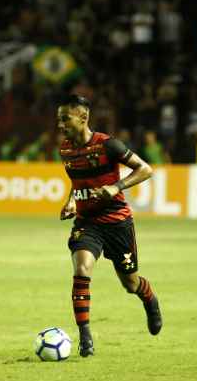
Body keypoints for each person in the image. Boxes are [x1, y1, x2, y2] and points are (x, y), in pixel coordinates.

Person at [57, 94, 162, 357]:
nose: (60, 125)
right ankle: (85, 338)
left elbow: (145, 169)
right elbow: (78, 181)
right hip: (87, 223)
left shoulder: (108, 145)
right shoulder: (66, 150)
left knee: (130, 283)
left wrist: (116, 186)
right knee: (82, 269)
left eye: (65, 119)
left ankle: (149, 298)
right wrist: (71, 201)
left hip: (117, 222)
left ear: (83, 118)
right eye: (59, 119)